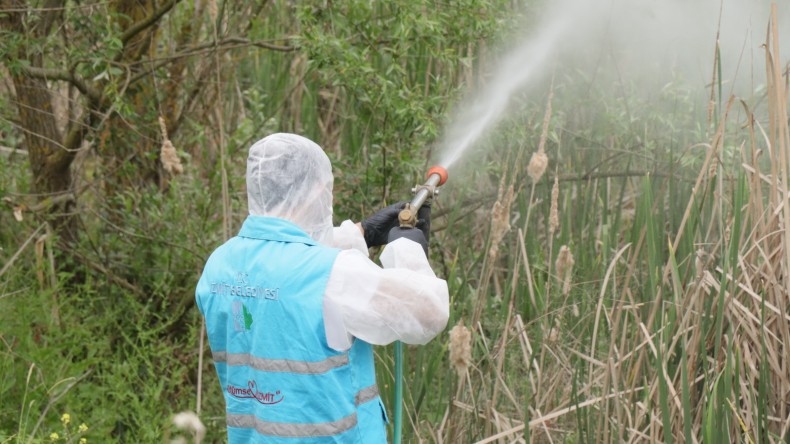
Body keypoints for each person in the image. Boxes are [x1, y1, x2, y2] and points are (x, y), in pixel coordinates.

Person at [195, 133, 449, 443]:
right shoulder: (335, 275)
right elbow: (427, 313)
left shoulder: (220, 265)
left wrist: (363, 233)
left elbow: (286, 264)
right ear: (317, 189)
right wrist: (408, 250)